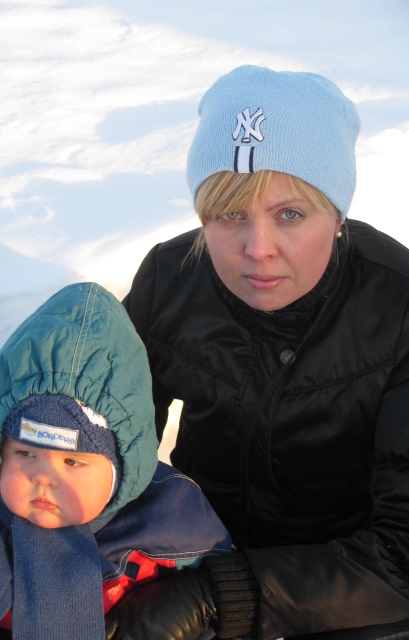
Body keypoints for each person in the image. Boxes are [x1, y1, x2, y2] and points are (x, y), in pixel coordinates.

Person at [105, 65, 409, 639]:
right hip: (192, 550)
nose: (257, 248)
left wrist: (212, 599)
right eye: (230, 214)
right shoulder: (171, 279)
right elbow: (96, 447)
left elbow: (403, 556)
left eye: (290, 214)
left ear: (337, 216)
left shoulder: (398, 308)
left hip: (352, 593)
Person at [0, 282, 231, 639]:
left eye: (72, 462)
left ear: (121, 470)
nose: (43, 476)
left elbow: (220, 605)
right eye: (25, 453)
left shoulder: (173, 520)